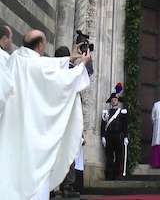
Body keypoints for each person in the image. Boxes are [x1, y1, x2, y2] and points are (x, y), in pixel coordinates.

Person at [0, 29, 91, 199]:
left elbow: (47, 65)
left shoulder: (14, 59)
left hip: (12, 130)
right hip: (34, 138)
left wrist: (69, 57)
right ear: (41, 45)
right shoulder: (38, 66)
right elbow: (64, 80)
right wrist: (82, 64)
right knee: (36, 179)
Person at [54, 46, 80, 198]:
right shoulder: (70, 72)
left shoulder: (49, 70)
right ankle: (67, 186)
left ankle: (51, 188)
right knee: (68, 153)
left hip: (54, 120)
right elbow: (87, 73)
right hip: (66, 120)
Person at [101, 87, 128, 180]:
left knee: (119, 156)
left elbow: (125, 125)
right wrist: (103, 136)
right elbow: (103, 125)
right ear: (110, 101)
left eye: (115, 99)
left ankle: (117, 175)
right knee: (109, 156)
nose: (114, 101)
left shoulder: (122, 112)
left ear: (118, 101)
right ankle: (109, 175)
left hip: (118, 136)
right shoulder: (106, 112)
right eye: (112, 100)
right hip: (109, 136)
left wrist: (125, 136)